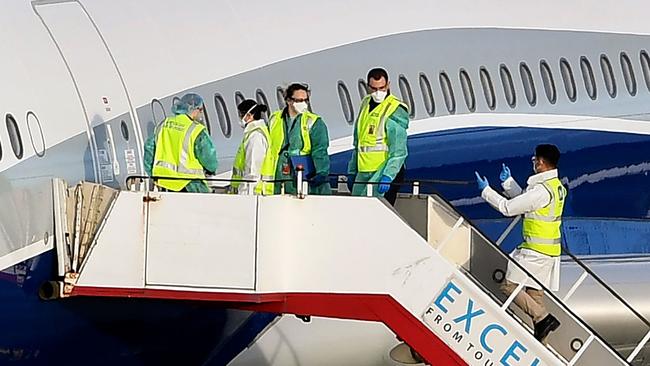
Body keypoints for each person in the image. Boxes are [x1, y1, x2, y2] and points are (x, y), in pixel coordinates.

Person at [475, 144, 565, 342]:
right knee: (534, 295)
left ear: (541, 162)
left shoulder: (541, 190)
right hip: (550, 251)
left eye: (534, 160)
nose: (533, 163)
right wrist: (508, 183)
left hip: (535, 250)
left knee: (508, 285)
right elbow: (528, 202)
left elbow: (508, 208)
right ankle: (542, 343)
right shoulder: (555, 187)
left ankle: (543, 318)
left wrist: (486, 191)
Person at [347, 67, 409, 205]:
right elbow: (359, 144)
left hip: (384, 172)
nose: (377, 92)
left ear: (388, 85)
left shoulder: (395, 109)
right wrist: (352, 170)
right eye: (374, 89)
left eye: (381, 88)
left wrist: (388, 176)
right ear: (368, 87)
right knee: (356, 207)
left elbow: (398, 150)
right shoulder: (365, 104)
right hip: (364, 171)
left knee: (374, 210)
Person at [144, 93, 217, 192]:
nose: (201, 113)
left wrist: (152, 173)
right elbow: (208, 157)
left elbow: (149, 149)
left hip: (164, 183)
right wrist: (211, 169)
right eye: (200, 110)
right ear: (194, 110)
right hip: (190, 185)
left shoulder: (163, 125)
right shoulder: (196, 130)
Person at [268, 83, 331, 195]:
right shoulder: (275, 118)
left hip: (301, 172)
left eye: (305, 100)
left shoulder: (314, 122)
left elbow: (320, 150)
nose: (303, 104)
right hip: (278, 173)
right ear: (288, 101)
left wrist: (322, 172)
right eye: (299, 101)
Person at [230, 99, 275, 195]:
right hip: (254, 192)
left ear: (250, 115)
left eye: (241, 115)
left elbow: (252, 171)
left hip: (254, 192)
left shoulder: (255, 136)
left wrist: (244, 194)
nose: (240, 118)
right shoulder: (251, 134)